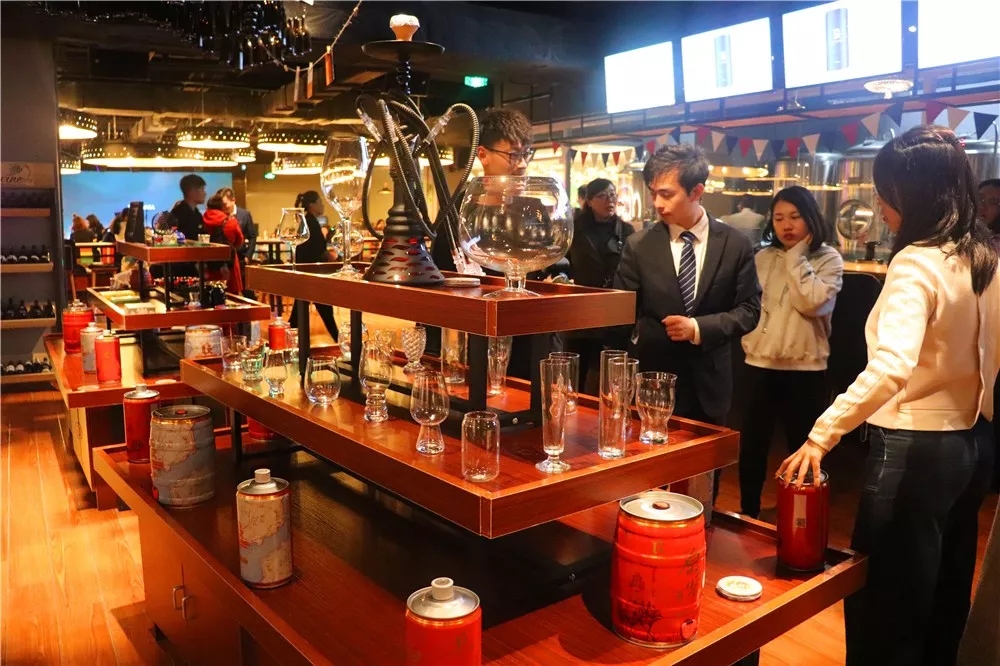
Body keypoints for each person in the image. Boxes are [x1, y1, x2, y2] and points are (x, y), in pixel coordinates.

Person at [777, 126, 1000, 666]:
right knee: (945, 589)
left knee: (887, 602)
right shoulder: (983, 254)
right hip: (972, 445)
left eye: (885, 193)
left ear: (914, 193)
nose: (879, 204)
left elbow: (892, 365)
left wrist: (822, 434)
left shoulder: (917, 261)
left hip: (914, 446)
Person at [612, 143, 761, 505]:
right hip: (651, 384)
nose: (658, 204)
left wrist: (697, 328)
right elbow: (620, 314)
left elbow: (749, 310)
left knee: (702, 486)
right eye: (653, 193)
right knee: (648, 482)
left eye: (667, 194)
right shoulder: (639, 245)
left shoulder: (735, 244)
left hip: (710, 383)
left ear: (697, 191)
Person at [737, 186, 844, 518]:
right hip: (759, 364)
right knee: (752, 446)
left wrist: (797, 256)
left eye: (795, 217)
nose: (786, 225)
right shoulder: (762, 258)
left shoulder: (828, 258)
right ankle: (749, 512)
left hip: (806, 369)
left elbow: (812, 303)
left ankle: (802, 518)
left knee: (804, 449)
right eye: (779, 218)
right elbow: (748, 306)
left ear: (810, 217)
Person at [564, 178, 634, 393]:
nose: (609, 201)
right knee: (576, 365)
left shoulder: (626, 231)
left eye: (612, 195)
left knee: (608, 370)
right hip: (581, 306)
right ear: (589, 200)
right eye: (602, 196)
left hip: (613, 308)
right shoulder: (574, 229)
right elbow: (562, 262)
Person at [288, 191, 338, 342]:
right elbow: (317, 249)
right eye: (320, 202)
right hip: (312, 274)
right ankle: (343, 343)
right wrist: (330, 257)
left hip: (307, 274)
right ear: (311, 205)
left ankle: (289, 342)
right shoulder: (311, 223)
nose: (322, 205)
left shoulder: (308, 221)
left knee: (298, 314)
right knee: (324, 312)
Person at [201, 194, 244, 295]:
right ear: (222, 206)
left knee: (209, 294)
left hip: (207, 265)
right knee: (232, 296)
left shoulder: (201, 221)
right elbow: (239, 241)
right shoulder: (230, 221)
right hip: (228, 266)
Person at [216, 187, 257, 293]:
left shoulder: (245, 214)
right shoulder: (220, 215)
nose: (223, 207)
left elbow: (252, 236)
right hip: (225, 258)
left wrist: (248, 256)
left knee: (246, 289)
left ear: (233, 200)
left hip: (241, 256)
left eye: (225, 204)